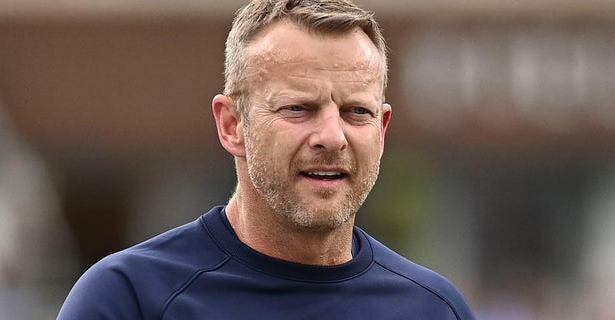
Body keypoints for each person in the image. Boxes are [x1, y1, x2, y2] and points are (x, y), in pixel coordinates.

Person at [57, 0, 476, 319]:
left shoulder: (433, 308)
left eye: (356, 112)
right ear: (232, 125)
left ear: (381, 131)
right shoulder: (130, 299)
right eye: (298, 108)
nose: (332, 137)